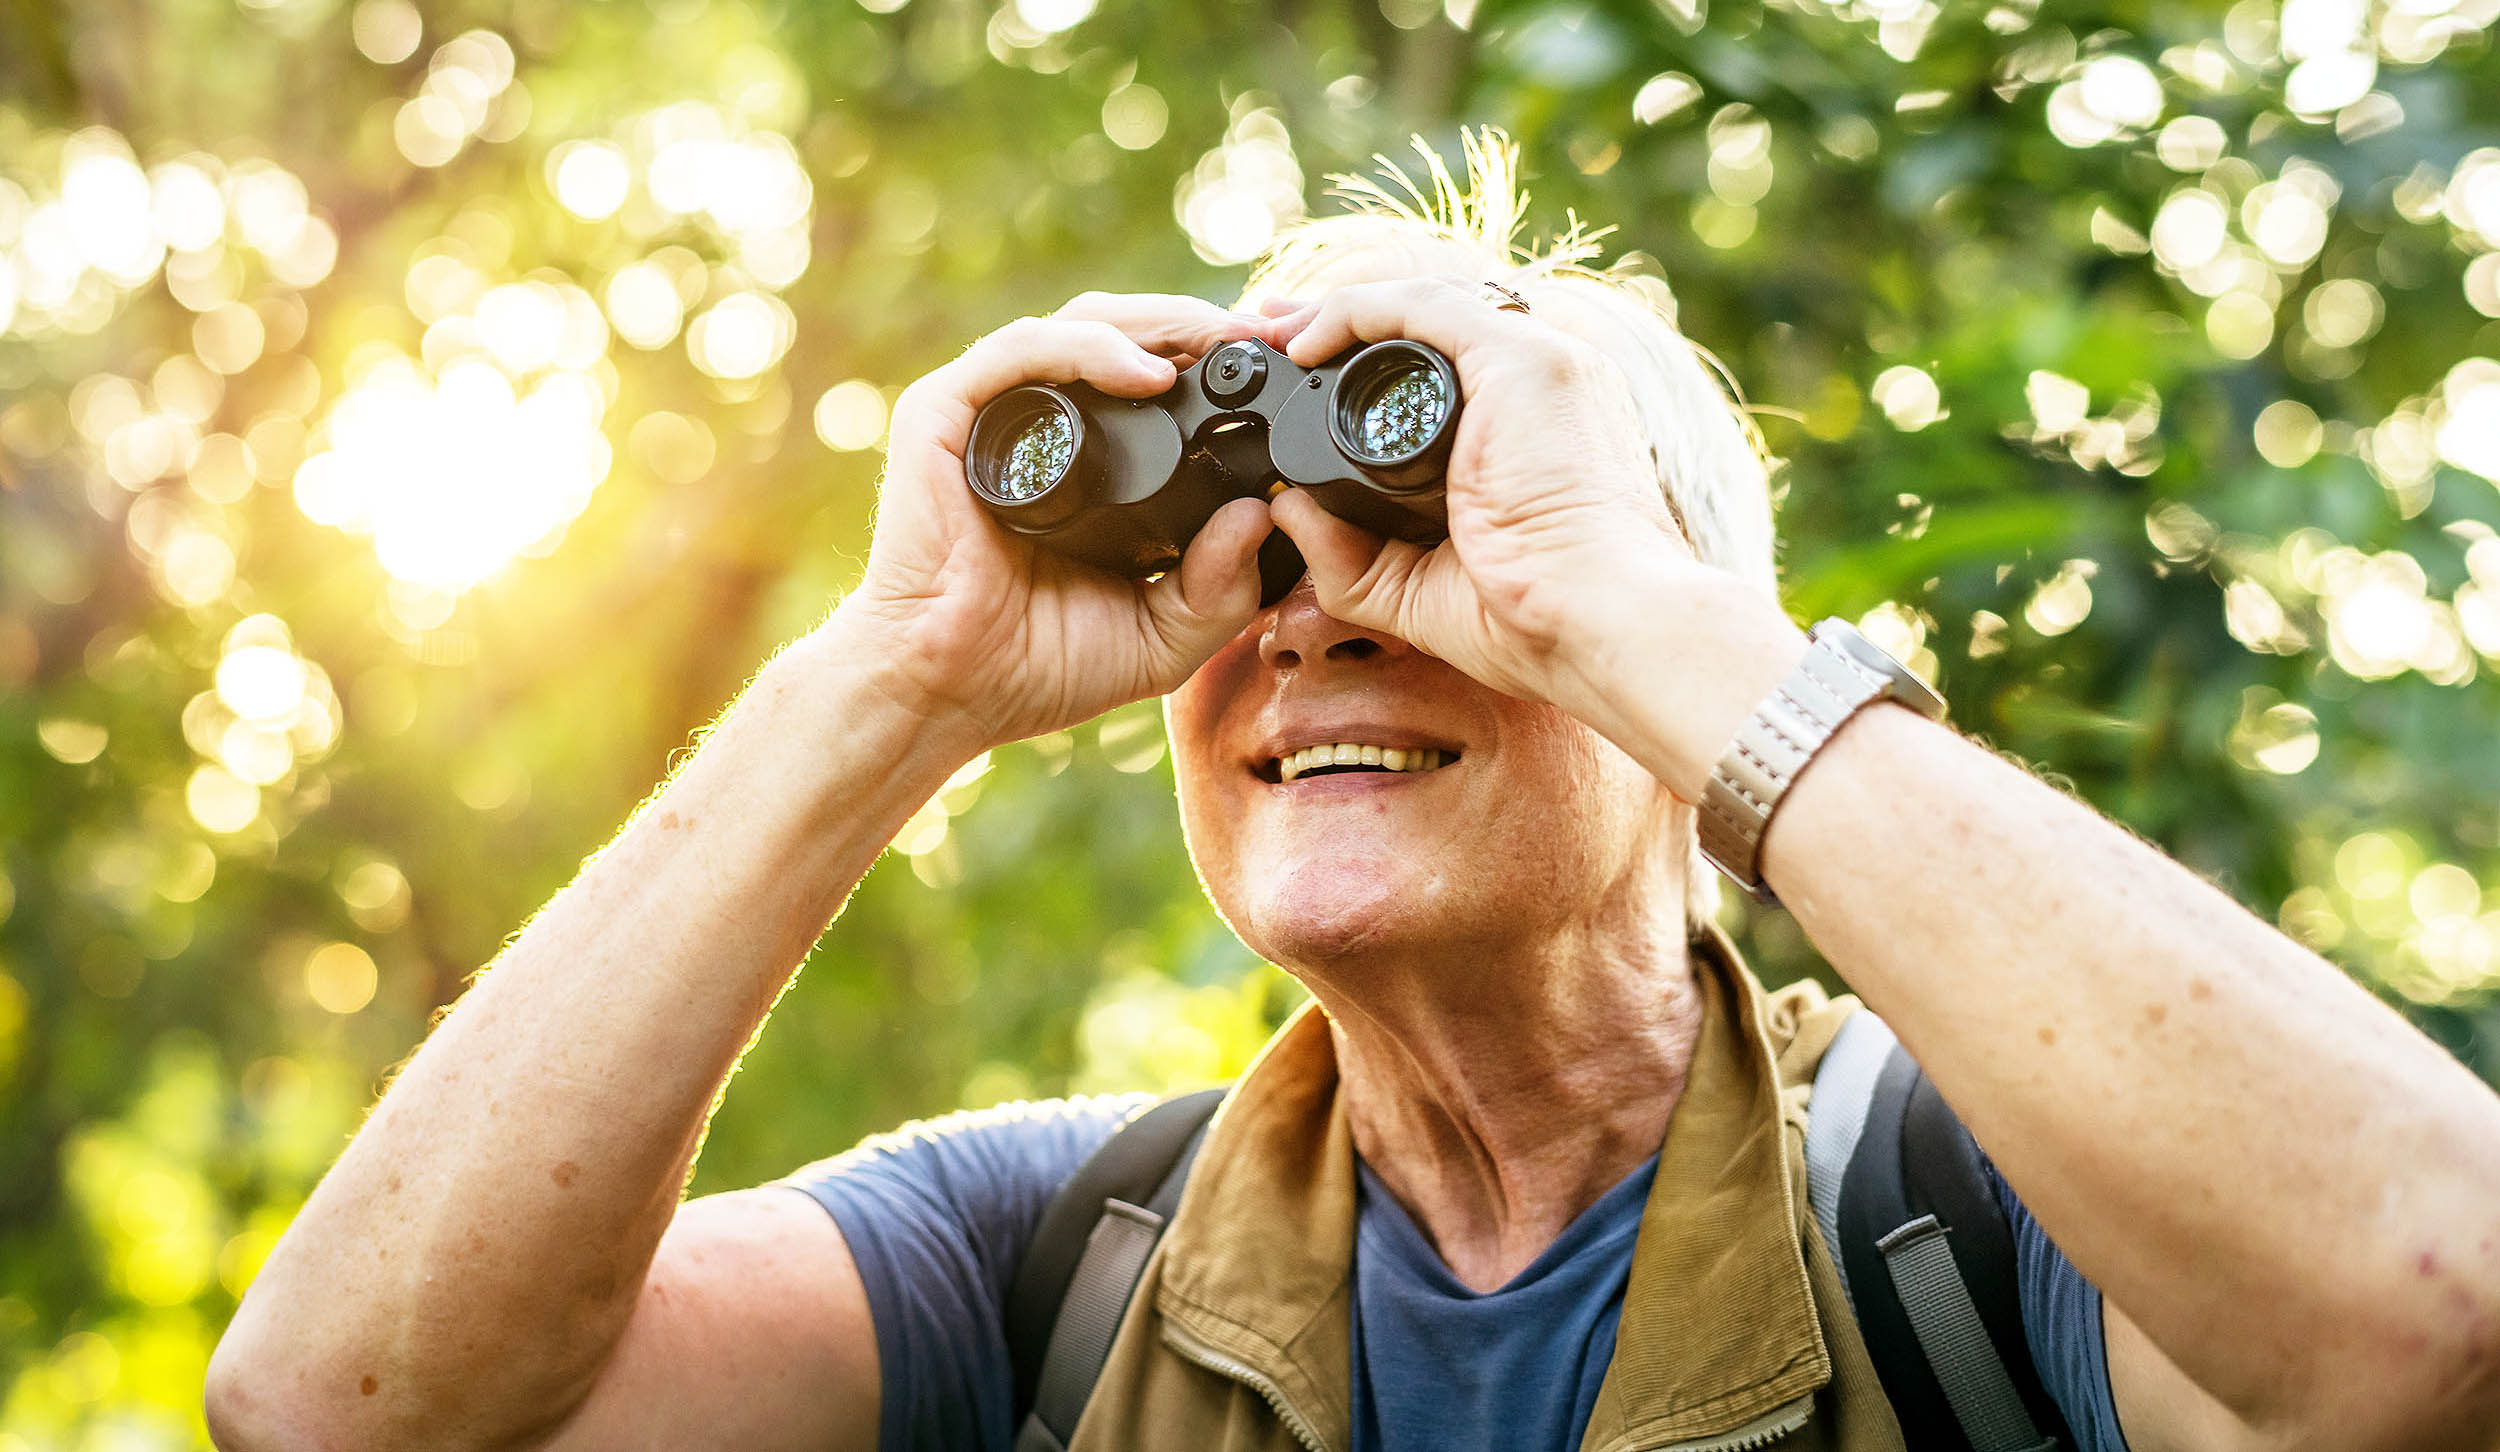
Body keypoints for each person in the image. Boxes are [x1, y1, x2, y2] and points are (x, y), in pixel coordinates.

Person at [204, 134, 2500, 1452]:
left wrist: (1628, 614)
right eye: (1245, 564)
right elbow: (344, 1410)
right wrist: (890, 677)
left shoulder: (1965, 1218)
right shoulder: (1046, 1271)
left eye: (1420, 547)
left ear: (1643, 631)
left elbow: (2439, 1301)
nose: (1301, 621)